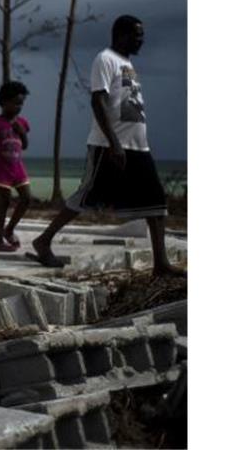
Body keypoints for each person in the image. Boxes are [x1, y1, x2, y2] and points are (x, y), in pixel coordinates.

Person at [29, 15, 185, 276]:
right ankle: (43, 240)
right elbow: (97, 102)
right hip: (108, 146)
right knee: (87, 195)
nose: (142, 40)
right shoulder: (105, 59)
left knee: (157, 201)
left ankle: (161, 264)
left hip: (138, 147)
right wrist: (114, 143)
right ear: (121, 35)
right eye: (137, 35)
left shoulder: (127, 64)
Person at [0, 81, 33, 252]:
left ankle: (9, 229)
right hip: (1, 168)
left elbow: (24, 145)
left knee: (27, 198)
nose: (19, 107)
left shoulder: (22, 122)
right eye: (16, 103)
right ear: (3, 102)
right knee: (5, 201)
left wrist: (21, 131)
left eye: (21, 103)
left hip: (18, 167)